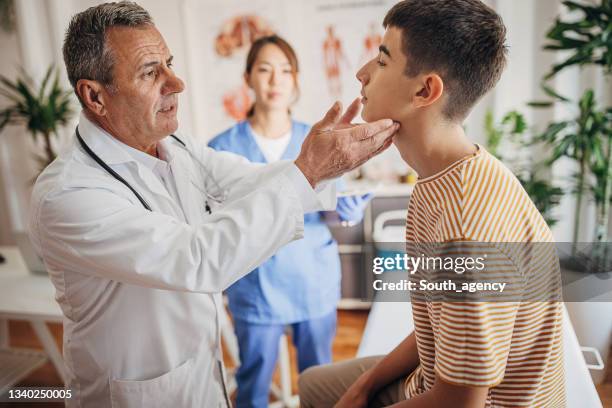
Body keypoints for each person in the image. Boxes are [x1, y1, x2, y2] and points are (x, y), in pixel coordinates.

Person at [27, 2, 399, 407]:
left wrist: (317, 167)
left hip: (201, 377)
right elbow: (195, 259)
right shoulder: (67, 195)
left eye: (169, 64)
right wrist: (307, 171)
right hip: (137, 393)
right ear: (95, 96)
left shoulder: (175, 145)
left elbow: (246, 180)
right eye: (151, 72)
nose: (177, 83)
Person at [298, 1, 564, 407]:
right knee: (317, 383)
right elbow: (439, 333)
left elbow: (462, 402)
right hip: (433, 379)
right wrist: (365, 384)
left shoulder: (466, 225)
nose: (362, 72)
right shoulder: (441, 174)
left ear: (425, 90)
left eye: (382, 60)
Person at [208, 35, 371, 408]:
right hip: (254, 285)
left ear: (295, 79)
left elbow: (333, 202)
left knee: (318, 382)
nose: (275, 80)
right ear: (248, 77)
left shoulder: (319, 139)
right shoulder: (220, 148)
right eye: (264, 70)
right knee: (254, 381)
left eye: (285, 71)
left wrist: (344, 212)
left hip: (311, 279)